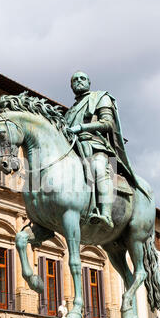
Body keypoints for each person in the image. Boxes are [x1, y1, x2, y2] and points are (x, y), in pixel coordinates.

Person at [64, 71, 145, 229]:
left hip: (96, 146)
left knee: (98, 168)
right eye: (75, 80)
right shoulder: (69, 112)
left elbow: (108, 124)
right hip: (75, 149)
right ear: (71, 86)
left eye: (82, 78)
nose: (79, 81)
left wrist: (81, 127)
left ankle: (106, 214)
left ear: (89, 82)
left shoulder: (101, 97)